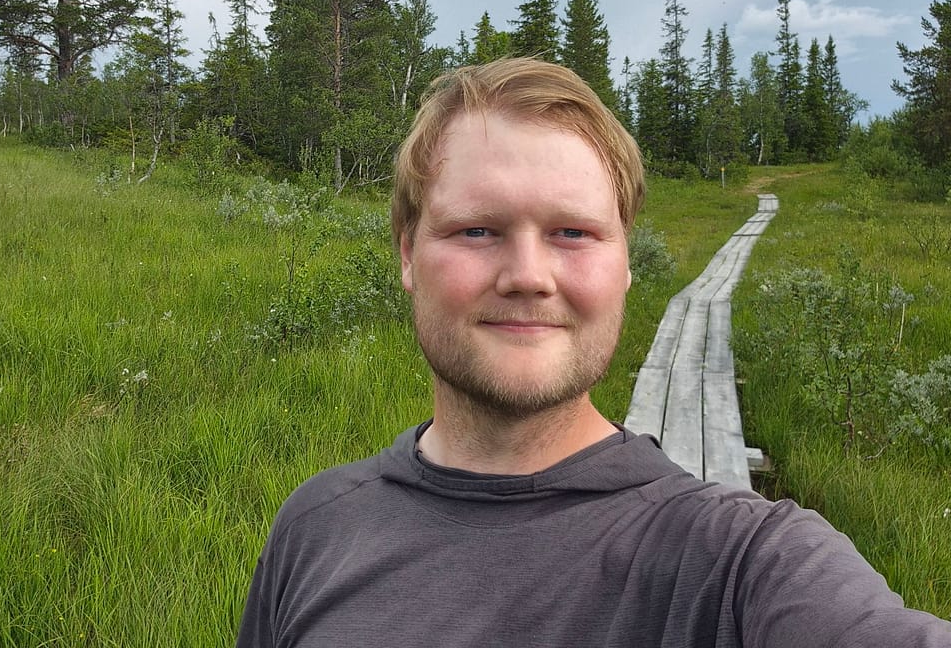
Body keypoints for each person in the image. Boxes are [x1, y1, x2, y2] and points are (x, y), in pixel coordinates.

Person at [235, 58, 951, 647]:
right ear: (406, 255)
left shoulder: (745, 561)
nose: (528, 276)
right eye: (477, 230)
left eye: (572, 233)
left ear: (625, 263)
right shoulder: (315, 529)